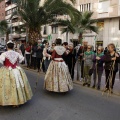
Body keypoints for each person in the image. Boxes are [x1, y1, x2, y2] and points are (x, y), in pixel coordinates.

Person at [0, 41, 33, 106]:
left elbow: (2, 61)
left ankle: (8, 100)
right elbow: (21, 60)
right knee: (17, 84)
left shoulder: (4, 54)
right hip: (16, 70)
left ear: (7, 46)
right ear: (13, 47)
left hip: (6, 70)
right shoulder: (17, 53)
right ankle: (17, 100)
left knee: (7, 85)